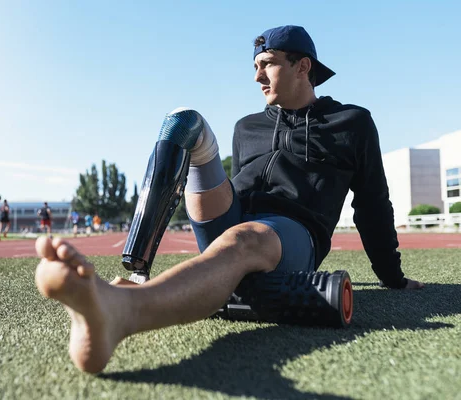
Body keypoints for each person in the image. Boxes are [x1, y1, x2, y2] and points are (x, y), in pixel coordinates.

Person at [33, 25, 424, 374]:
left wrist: (391, 276)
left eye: (267, 64)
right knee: (184, 121)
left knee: (244, 239)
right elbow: (229, 187)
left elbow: (373, 203)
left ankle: (122, 311)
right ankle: (137, 274)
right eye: (255, 66)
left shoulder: (352, 122)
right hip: (232, 216)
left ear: (302, 67)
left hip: (292, 233)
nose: (256, 76)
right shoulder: (246, 127)